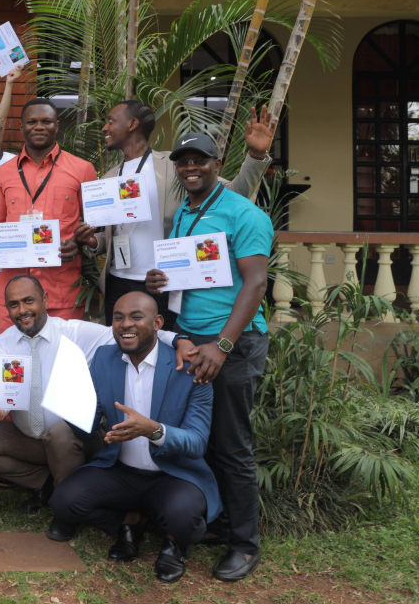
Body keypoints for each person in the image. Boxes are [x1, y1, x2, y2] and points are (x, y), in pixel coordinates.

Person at [142, 132, 272, 583]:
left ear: (218, 163)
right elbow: (192, 276)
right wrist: (163, 279)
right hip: (194, 340)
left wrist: (223, 345)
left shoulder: (244, 213)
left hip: (232, 343)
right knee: (205, 439)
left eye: (199, 160)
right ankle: (219, 522)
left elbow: (255, 283)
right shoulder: (185, 211)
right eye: (183, 161)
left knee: (232, 445)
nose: (190, 168)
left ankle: (245, 544)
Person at [47, 291, 219, 585]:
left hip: (172, 473)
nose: (125, 324)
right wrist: (68, 402)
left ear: (157, 323)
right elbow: (90, 420)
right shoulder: (104, 359)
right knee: (63, 502)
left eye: (136, 317)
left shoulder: (190, 367)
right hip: (121, 470)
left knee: (184, 518)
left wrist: (153, 430)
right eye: (118, 317)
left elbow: (197, 442)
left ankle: (174, 544)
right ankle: (130, 522)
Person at [0, 275, 190, 513]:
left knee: (61, 433)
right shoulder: (1, 345)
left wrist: (178, 339)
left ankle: (65, 497)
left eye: (29, 301)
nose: (22, 310)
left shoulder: (75, 333)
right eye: (14, 304)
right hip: (28, 438)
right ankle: (46, 482)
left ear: (45, 299)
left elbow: (130, 330)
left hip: (73, 439)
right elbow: (2, 392)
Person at [75, 102, 275, 323]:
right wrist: (93, 241)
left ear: (132, 124)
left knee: (166, 342)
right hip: (118, 281)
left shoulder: (175, 166)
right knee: (121, 342)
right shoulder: (108, 179)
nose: (105, 128)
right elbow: (113, 234)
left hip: (164, 282)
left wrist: (256, 156)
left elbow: (235, 193)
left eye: (111, 121)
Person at [0, 98, 92, 332]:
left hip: (61, 292)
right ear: (21, 126)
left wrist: (78, 243)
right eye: (31, 122)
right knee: (11, 354)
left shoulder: (82, 169)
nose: (39, 127)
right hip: (12, 295)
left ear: (57, 125)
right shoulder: (3, 172)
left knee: (62, 354)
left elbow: (94, 225)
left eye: (46, 121)